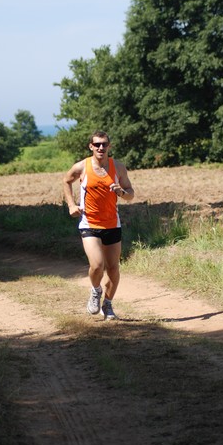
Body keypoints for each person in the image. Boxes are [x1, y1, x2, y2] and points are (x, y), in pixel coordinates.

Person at [63, 130, 134, 320]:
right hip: (89, 223)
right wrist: (71, 204)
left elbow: (131, 194)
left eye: (104, 144)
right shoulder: (81, 167)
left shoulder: (118, 167)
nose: (101, 147)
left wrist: (121, 192)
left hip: (112, 224)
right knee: (97, 265)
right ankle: (95, 291)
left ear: (109, 146)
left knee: (113, 268)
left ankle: (108, 305)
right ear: (91, 146)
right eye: (97, 144)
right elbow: (66, 181)